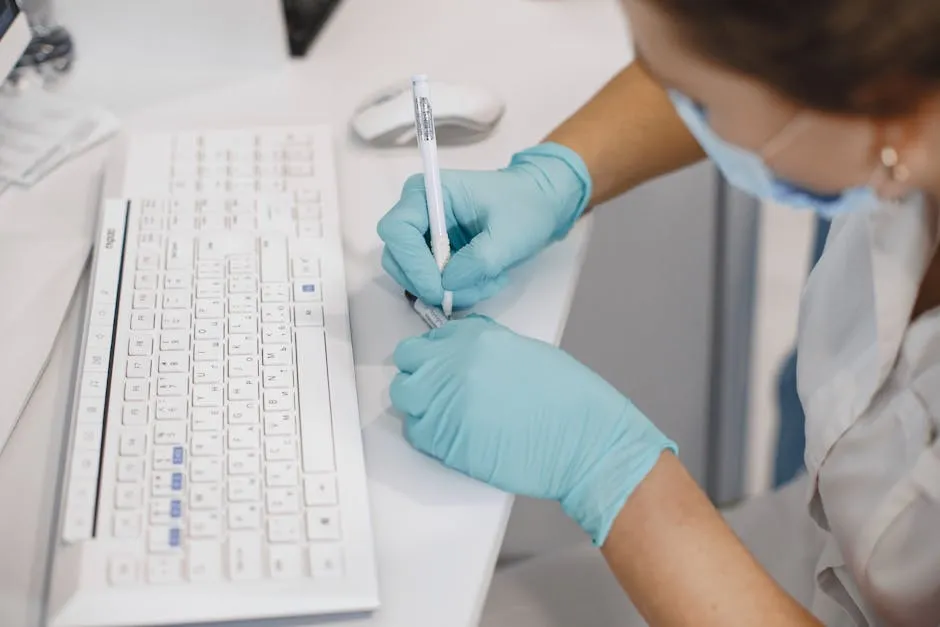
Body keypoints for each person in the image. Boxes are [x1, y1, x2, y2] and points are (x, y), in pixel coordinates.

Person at [377, 0, 940, 624]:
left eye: (700, 103)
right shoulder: (897, 94)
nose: (676, 103)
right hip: (808, 543)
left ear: (876, 106)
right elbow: (718, 56)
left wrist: (608, 467)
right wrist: (559, 174)